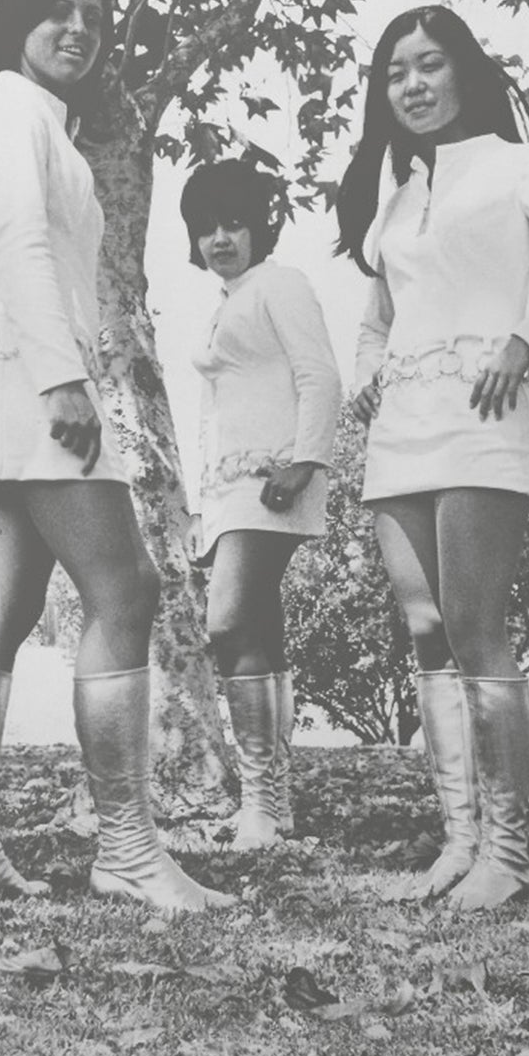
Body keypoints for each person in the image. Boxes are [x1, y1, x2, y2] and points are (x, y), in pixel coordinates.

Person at [0, 0, 232, 912]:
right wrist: (64, 380)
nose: (79, 28)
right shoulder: (14, 108)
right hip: (33, 377)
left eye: (94, 17)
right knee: (126, 587)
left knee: (2, 606)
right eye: (58, 9)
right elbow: (20, 242)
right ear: (15, 17)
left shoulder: (31, 117)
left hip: (0, 374)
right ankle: (128, 850)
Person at [338, 5, 529, 909]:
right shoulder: (397, 195)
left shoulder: (517, 167)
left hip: (481, 418)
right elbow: (380, 315)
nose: (414, 84)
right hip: (401, 432)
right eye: (396, 72)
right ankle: (459, 841)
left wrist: (526, 340)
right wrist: (368, 377)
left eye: (430, 64)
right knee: (426, 628)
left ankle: (508, 852)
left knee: (475, 626)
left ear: (463, 72)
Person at [183, 160, 342, 849]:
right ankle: (271, 807)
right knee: (256, 634)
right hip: (228, 492)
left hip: (274, 480)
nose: (220, 239)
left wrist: (305, 461)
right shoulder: (226, 300)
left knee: (227, 623)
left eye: (233, 223)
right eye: (206, 228)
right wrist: (201, 506)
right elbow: (215, 415)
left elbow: (320, 375)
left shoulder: (282, 283)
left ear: (258, 227)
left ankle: (261, 804)